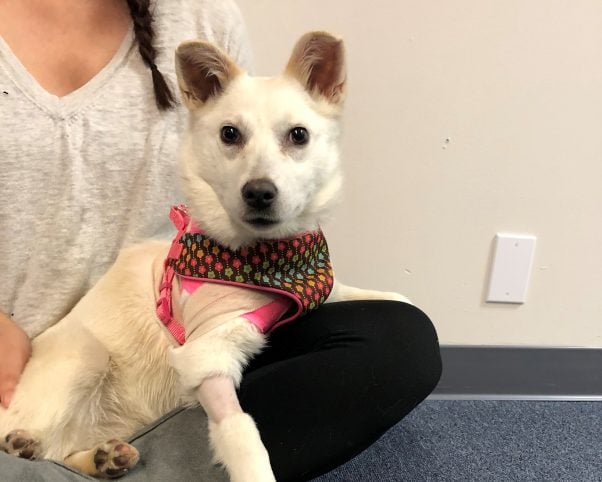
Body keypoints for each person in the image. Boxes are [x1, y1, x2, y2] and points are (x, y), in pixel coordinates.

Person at [0, 1, 442, 480]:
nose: (261, 178)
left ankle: (89, 470)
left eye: (296, 137)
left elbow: (259, 112)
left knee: (402, 337)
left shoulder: (198, 14)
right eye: (232, 135)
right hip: (36, 349)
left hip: (206, 298)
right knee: (74, 372)